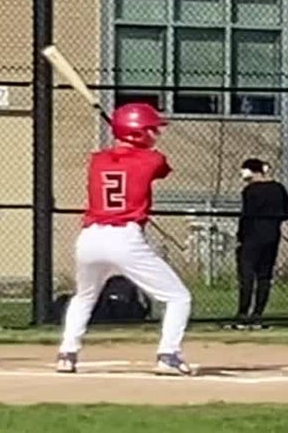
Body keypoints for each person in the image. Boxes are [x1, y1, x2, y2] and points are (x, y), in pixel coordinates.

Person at [55, 103, 193, 376]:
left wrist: (125, 143)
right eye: (151, 129)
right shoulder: (151, 159)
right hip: (124, 237)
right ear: (139, 133)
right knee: (178, 297)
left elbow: (122, 159)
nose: (156, 133)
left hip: (90, 238)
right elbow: (162, 168)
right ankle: (168, 354)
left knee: (84, 297)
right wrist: (137, 148)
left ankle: (67, 353)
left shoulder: (97, 159)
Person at [231, 158, 288, 329]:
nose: (242, 173)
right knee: (264, 276)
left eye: (245, 169)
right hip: (271, 236)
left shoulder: (250, 190)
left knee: (247, 275)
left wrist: (241, 237)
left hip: (252, 237)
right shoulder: (278, 188)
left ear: (253, 171)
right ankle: (257, 315)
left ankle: (243, 314)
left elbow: (246, 216)